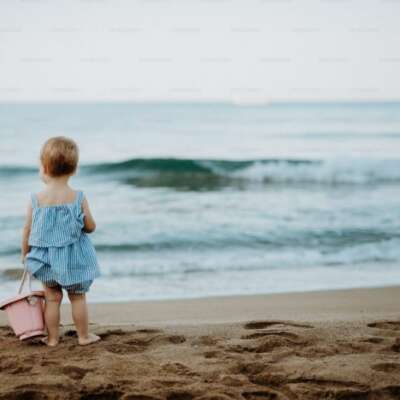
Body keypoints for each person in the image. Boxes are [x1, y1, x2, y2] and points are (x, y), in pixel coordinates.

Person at [21, 136, 101, 346]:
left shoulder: (36, 199)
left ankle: (53, 338)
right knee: (77, 297)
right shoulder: (78, 197)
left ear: (45, 168)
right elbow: (90, 226)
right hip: (74, 259)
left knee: (52, 298)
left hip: (46, 260)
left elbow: (27, 230)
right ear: (74, 169)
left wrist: (25, 254)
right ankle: (83, 336)